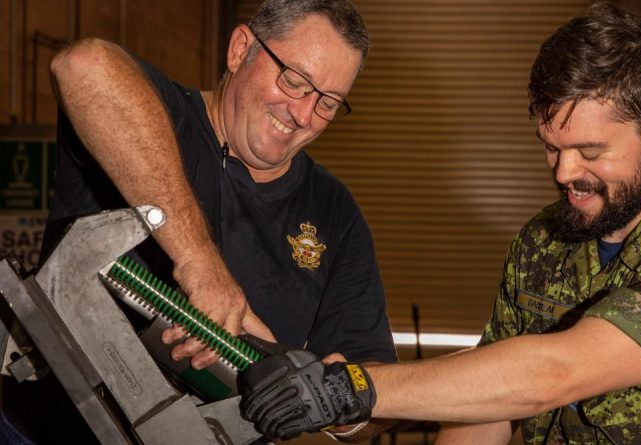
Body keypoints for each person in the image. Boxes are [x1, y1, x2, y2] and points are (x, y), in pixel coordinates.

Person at [238, 2, 641, 444]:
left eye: (589, 149)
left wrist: (354, 387)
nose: (564, 171)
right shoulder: (545, 242)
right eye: (551, 147)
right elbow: (490, 406)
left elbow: (555, 373)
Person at [3, 0, 396, 443]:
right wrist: (198, 259)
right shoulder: (162, 117)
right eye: (295, 81)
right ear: (240, 49)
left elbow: (374, 391)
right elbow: (83, 64)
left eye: (328, 102)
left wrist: (334, 401)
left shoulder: (334, 213)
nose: (304, 115)